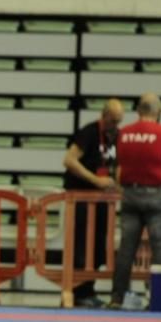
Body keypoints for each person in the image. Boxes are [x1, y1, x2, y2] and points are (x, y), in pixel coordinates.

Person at [109, 93, 161, 310]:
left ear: (138, 110)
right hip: (157, 196)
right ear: (158, 112)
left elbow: (120, 162)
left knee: (126, 250)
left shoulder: (124, 134)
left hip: (131, 194)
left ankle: (116, 298)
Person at [61, 98, 125, 308]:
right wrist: (95, 180)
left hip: (102, 201)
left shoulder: (116, 136)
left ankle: (89, 289)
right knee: (80, 245)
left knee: (99, 246)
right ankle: (77, 290)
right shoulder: (89, 132)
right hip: (80, 198)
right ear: (104, 115)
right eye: (112, 121)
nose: (115, 126)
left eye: (118, 122)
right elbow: (69, 160)